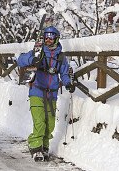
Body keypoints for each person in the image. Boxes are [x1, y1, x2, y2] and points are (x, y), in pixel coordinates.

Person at [17, 25, 75, 162]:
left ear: (56, 38)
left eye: (51, 36)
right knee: (39, 121)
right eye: (46, 36)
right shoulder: (37, 51)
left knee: (50, 124)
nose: (48, 39)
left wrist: (68, 83)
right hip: (37, 89)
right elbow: (20, 60)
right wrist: (32, 59)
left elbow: (64, 72)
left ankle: (44, 146)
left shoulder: (60, 57)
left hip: (52, 93)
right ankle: (35, 147)